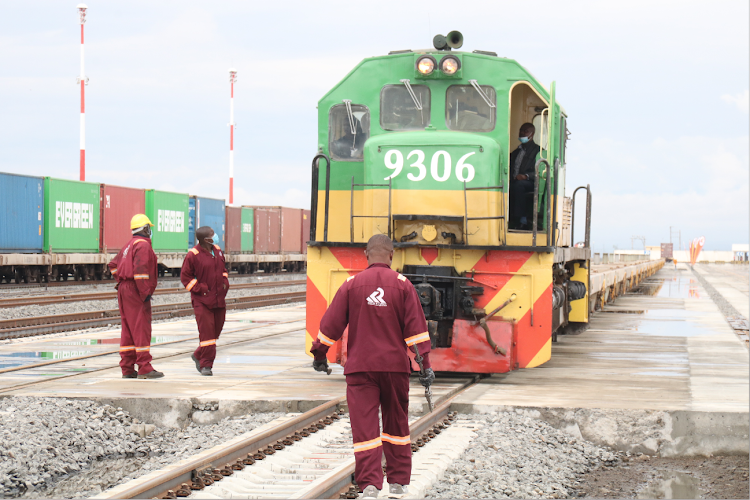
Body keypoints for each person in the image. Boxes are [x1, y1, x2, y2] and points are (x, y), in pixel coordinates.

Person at [309, 234, 435, 499]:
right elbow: (417, 332)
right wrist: (425, 366)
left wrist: (319, 354)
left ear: (366, 254)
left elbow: (330, 325)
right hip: (395, 369)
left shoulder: (351, 285)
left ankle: (369, 485)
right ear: (391, 256)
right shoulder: (403, 285)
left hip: (360, 369)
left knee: (365, 429)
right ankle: (398, 483)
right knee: (397, 425)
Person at [108, 214, 163, 379]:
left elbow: (112, 265)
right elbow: (140, 272)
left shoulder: (128, 245)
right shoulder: (143, 246)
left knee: (128, 329)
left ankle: (127, 367)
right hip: (135, 290)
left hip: (124, 290)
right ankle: (145, 367)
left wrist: (122, 280)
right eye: (150, 228)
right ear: (146, 228)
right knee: (141, 328)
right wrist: (144, 292)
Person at [180, 226, 229, 376]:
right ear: (205, 239)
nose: (215, 236)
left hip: (218, 300)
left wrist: (225, 282)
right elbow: (185, 278)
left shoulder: (218, 251)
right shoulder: (193, 255)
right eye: (212, 235)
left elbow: (223, 270)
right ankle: (206, 365)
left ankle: (197, 354)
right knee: (207, 335)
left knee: (215, 332)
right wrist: (201, 288)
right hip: (202, 301)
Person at [508, 123, 541, 230]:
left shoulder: (538, 152)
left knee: (519, 185)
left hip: (531, 182)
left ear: (532, 133)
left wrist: (526, 176)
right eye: (521, 130)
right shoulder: (516, 152)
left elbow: (539, 171)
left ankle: (522, 220)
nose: (522, 133)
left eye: (525, 131)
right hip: (515, 180)